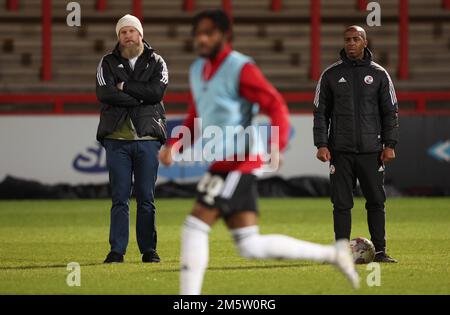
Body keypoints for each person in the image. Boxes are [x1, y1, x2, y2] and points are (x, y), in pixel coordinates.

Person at [159, 9, 359, 295]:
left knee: (194, 226)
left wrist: (274, 147)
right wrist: (175, 145)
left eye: (208, 32)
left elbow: (275, 105)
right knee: (249, 244)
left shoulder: (240, 67)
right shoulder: (196, 70)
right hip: (221, 162)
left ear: (224, 35)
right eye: (198, 33)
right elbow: (196, 115)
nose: (201, 38)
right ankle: (334, 254)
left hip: (240, 160)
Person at [313, 25, 399, 263]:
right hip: (340, 152)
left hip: (372, 151)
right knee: (341, 204)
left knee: (376, 202)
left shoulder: (379, 74)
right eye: (347, 39)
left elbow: (390, 112)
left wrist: (389, 143)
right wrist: (321, 144)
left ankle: (380, 251)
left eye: (355, 39)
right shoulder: (330, 75)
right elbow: (320, 113)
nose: (350, 43)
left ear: (364, 42)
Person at [96, 14, 169, 263]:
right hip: (117, 140)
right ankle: (117, 251)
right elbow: (104, 93)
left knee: (146, 198)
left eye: (131, 31)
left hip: (148, 139)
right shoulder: (107, 62)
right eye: (123, 32)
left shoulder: (157, 60)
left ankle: (149, 250)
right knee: (120, 198)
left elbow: (157, 91)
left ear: (140, 34)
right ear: (119, 37)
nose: (127, 35)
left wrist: (125, 87)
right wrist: (142, 96)